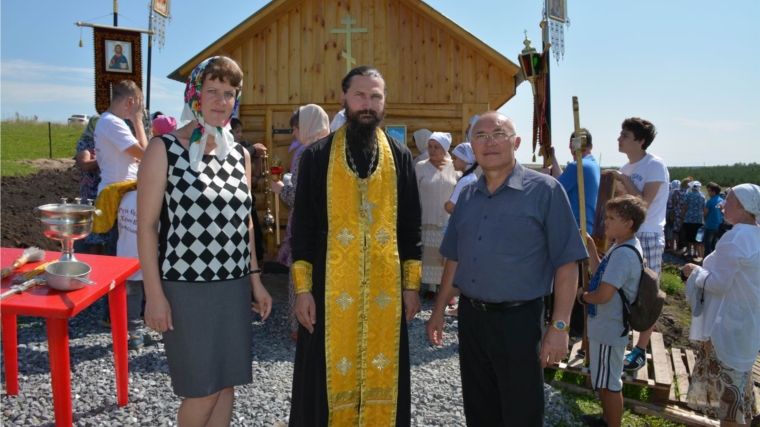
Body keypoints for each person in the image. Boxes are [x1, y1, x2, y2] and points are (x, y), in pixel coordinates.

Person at [427, 112, 588, 426]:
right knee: (479, 407)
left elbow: (567, 263)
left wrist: (559, 327)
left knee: (521, 411)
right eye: (480, 136)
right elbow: (454, 258)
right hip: (471, 318)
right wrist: (437, 312)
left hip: (519, 320)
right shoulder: (468, 194)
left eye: (498, 133)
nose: (489, 142)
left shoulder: (546, 191)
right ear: (471, 146)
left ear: (516, 143)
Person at [137, 56, 272, 427]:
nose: (221, 101)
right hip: (186, 288)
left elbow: (244, 221)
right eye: (212, 91)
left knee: (226, 386)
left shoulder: (239, 156)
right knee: (202, 390)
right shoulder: (163, 149)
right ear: (195, 94)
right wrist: (154, 295)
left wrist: (256, 282)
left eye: (229, 93)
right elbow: (147, 227)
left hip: (232, 287)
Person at [288, 66, 422, 427]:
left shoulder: (400, 157)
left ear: (384, 102)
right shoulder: (316, 157)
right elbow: (302, 230)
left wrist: (411, 286)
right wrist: (302, 291)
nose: (368, 104)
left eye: (375, 96)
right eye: (360, 95)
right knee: (322, 383)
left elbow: (411, 228)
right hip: (329, 293)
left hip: (386, 293)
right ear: (343, 99)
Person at [682, 184, 760, 426]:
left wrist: (694, 272)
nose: (723, 205)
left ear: (745, 207)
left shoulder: (735, 238)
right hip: (747, 323)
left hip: (726, 327)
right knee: (738, 397)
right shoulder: (756, 234)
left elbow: (718, 284)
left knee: (729, 404)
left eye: (729, 200)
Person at [577, 195, 647, 427]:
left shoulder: (624, 253)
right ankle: (606, 420)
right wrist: (591, 249)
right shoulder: (622, 246)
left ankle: (613, 424)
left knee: (609, 383)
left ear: (629, 224)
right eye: (607, 217)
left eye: (612, 218)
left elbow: (603, 295)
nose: (606, 222)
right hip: (607, 327)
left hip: (610, 328)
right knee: (604, 380)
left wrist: (583, 297)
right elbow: (601, 275)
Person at [605, 117, 669, 372]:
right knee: (620, 286)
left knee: (646, 292)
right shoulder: (627, 167)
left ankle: (640, 349)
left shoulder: (654, 165)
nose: (619, 139)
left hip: (649, 233)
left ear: (640, 141)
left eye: (625, 136)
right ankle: (621, 340)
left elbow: (643, 202)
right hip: (626, 234)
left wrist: (622, 179)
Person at [270, 105, 330, 341]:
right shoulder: (332, 147)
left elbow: (301, 196)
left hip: (306, 225)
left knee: (300, 274)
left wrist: (281, 189)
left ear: (305, 126)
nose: (294, 134)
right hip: (326, 224)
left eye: (295, 128)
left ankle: (300, 327)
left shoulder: (306, 152)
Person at [415, 132, 459, 299]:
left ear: (445, 148)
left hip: (449, 221)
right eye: (430, 147)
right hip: (427, 218)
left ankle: (447, 290)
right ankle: (431, 287)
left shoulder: (454, 167)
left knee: (447, 256)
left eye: (437, 147)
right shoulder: (420, 166)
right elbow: (414, 192)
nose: (432, 151)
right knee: (429, 255)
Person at [442, 142, 478, 315]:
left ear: (465, 160)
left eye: (456, 158)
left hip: (459, 228)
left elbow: (450, 206)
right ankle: (462, 304)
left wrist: (445, 203)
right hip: (467, 227)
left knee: (455, 267)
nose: (453, 161)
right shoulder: (472, 178)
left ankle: (452, 303)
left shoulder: (465, 181)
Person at [546, 127, 600, 233]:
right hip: (587, 228)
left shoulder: (577, 166)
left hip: (576, 227)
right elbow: (564, 180)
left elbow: (552, 192)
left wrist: (544, 176)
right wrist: (552, 157)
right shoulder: (592, 164)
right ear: (591, 146)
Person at [230, 117, 267, 264]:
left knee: (254, 230)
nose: (240, 135)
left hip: (246, 196)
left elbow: (260, 154)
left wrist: (256, 175)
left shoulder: (244, 145)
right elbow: (240, 155)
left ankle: (257, 261)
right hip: (232, 198)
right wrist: (252, 150)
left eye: (241, 131)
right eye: (236, 131)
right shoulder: (230, 149)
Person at [74, 114, 110, 254]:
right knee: (94, 228)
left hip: (107, 187)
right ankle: (94, 259)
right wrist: (106, 159)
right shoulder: (85, 143)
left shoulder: (107, 142)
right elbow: (85, 164)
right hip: (92, 190)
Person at [681, 181, 706, 261]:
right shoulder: (702, 196)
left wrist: (681, 217)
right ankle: (695, 252)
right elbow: (703, 208)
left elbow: (684, 206)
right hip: (698, 219)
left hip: (688, 218)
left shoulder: (688, 195)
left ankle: (689, 252)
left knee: (689, 235)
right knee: (696, 237)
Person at [703, 182, 724, 258]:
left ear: (713, 191)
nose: (708, 192)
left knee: (707, 244)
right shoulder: (721, 200)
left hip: (709, 225)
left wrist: (704, 221)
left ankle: (706, 259)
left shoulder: (710, 201)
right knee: (714, 244)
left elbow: (705, 213)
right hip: (718, 224)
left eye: (709, 191)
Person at [665, 180, 680, 251]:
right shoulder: (680, 193)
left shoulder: (669, 193)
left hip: (668, 211)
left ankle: (668, 245)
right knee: (674, 229)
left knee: (668, 228)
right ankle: (674, 246)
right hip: (676, 212)